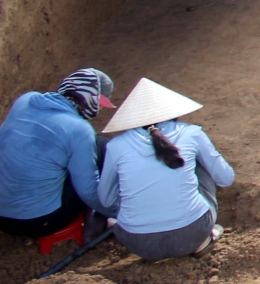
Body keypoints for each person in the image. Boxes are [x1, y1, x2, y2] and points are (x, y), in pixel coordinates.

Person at [98, 78, 234, 261]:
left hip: (138, 243)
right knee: (200, 164)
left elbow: (106, 200)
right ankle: (204, 240)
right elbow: (226, 178)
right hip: (192, 232)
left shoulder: (116, 146)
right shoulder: (191, 134)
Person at [0, 69, 118, 238]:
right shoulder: (79, 130)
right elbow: (88, 191)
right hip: (39, 222)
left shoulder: (25, 100)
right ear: (90, 100)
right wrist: (123, 213)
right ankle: (96, 220)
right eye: (99, 104)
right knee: (102, 148)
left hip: (2, 220)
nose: (99, 110)